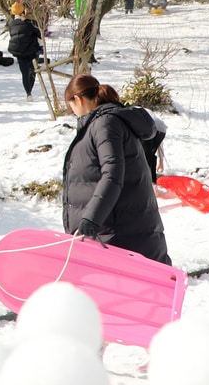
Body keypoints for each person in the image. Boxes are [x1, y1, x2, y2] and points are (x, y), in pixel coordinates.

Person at [60, 74, 171, 265]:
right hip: (113, 230)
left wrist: (91, 219)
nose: (73, 112)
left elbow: (112, 174)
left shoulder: (105, 124)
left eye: (71, 106)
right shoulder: (102, 123)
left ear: (78, 99)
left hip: (117, 233)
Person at [4, 3, 43, 99]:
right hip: (31, 51)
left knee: (24, 72)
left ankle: (28, 92)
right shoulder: (29, 23)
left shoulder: (11, 25)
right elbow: (39, 34)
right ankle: (30, 90)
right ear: (23, 11)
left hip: (19, 51)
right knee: (33, 70)